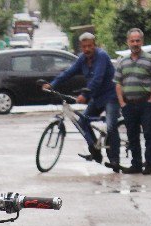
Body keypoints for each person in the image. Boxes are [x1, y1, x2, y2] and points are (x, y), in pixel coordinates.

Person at [42, 32, 120, 170]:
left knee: (111, 126)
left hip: (110, 96)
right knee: (83, 121)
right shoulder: (82, 59)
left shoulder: (101, 56)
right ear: (81, 47)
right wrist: (52, 84)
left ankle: (114, 159)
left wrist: (84, 94)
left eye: (90, 46)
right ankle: (95, 149)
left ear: (94, 45)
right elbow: (69, 72)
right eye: (84, 47)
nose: (87, 49)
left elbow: (98, 78)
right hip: (96, 97)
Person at [115, 27, 151, 175]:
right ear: (128, 42)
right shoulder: (122, 62)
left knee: (149, 135)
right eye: (132, 40)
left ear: (142, 41)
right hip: (129, 105)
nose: (135, 43)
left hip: (146, 103)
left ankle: (149, 165)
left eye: (138, 40)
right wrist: (122, 103)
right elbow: (118, 83)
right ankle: (136, 164)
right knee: (132, 136)